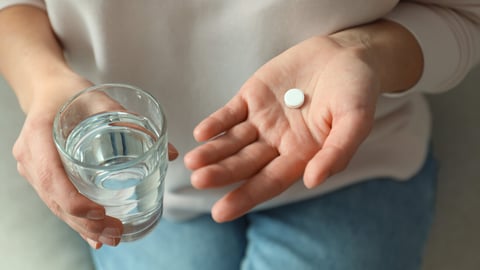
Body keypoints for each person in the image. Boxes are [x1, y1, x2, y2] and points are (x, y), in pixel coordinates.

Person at [0, 1, 479, 269]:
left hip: (350, 163)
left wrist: (362, 52)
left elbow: (464, 15)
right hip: (137, 179)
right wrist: (46, 84)